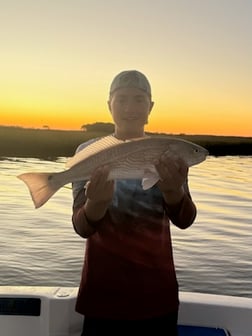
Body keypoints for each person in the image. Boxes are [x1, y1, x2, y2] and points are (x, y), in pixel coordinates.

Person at [71, 70, 197, 336]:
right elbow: (82, 227)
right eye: (122, 99)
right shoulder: (88, 152)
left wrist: (173, 192)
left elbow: (185, 220)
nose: (130, 108)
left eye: (139, 100)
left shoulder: (169, 152)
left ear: (150, 107)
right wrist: (96, 204)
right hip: (101, 297)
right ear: (109, 105)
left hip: (157, 297)